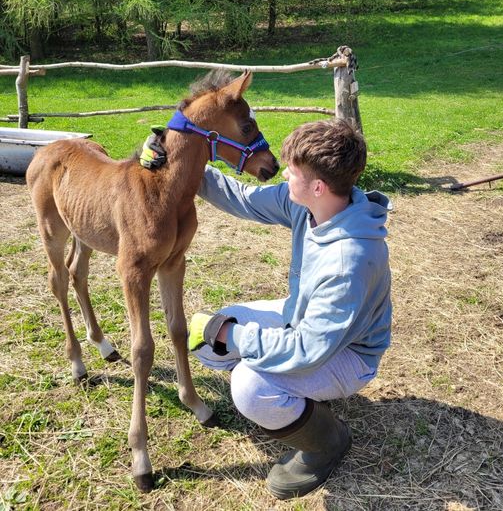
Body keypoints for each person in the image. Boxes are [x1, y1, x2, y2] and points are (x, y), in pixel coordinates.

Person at [142, 118, 392, 499]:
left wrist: (237, 336)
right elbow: (243, 198)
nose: (284, 175)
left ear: (318, 187)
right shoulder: (310, 206)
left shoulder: (348, 261)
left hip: (348, 352)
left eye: (293, 172)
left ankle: (327, 441)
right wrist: (178, 159)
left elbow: (308, 349)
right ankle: (297, 401)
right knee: (213, 343)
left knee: (249, 384)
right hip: (305, 321)